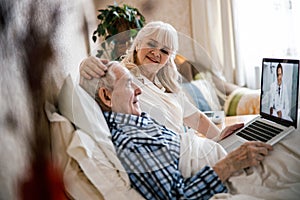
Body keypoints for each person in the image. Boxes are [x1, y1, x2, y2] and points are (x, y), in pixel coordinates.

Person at [80, 61, 273, 199]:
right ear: (106, 96)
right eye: (129, 84)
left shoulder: (135, 119)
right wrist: (230, 163)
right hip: (230, 171)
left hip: (222, 155)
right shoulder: (131, 142)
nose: (138, 90)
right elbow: (177, 196)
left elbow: (178, 150)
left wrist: (217, 140)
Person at [80, 21, 242, 141]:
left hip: (188, 147)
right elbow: (96, 89)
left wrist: (221, 138)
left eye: (164, 51)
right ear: (137, 45)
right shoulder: (123, 78)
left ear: (169, 59)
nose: (156, 53)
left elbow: (196, 118)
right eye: (151, 44)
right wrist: (85, 65)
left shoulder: (167, 86)